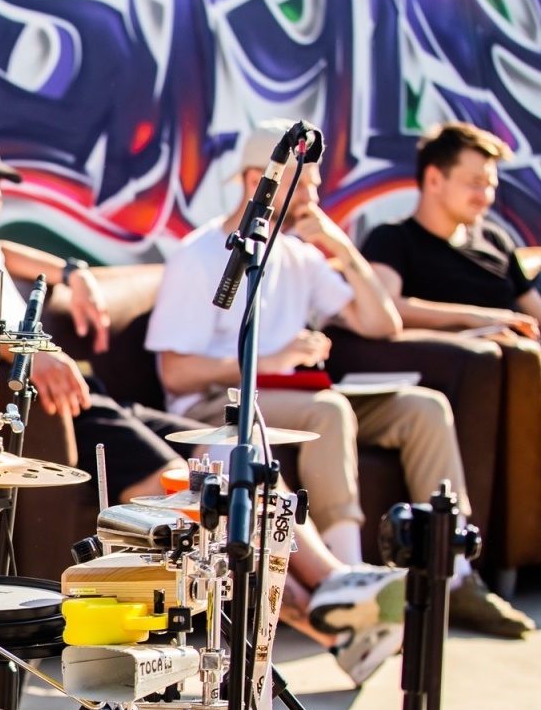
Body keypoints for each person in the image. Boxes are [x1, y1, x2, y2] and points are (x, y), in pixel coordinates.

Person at [146, 119, 529, 637]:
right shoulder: (200, 255)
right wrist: (274, 359)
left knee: (423, 407)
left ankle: (456, 578)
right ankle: (349, 582)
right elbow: (176, 371)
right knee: (329, 409)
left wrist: (340, 247)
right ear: (261, 179)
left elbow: (380, 323)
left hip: (292, 397)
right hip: (216, 405)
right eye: (304, 182)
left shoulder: (302, 255)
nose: (316, 192)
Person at [0, 119, 187, 503]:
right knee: (175, 482)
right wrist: (29, 351)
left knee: (227, 458)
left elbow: (4, 251)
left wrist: (73, 273)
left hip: (79, 399)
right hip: (37, 413)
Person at [361, 122, 541, 339]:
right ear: (435, 180)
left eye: (490, 186)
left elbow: (535, 312)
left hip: (519, 365)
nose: (485, 197)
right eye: (475, 183)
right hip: (449, 366)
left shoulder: (496, 240)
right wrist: (471, 318)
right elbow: (383, 305)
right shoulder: (391, 239)